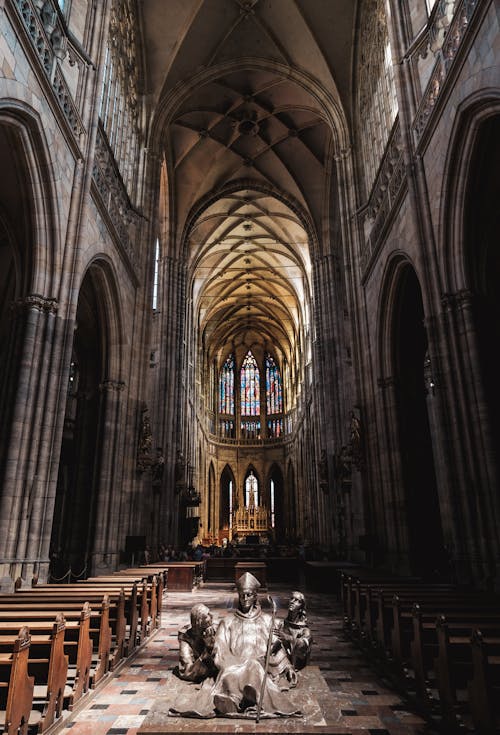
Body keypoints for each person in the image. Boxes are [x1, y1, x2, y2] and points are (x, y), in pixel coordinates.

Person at [211, 572, 300, 717]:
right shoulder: (227, 621)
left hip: (258, 662)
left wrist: (288, 666)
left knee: (253, 668)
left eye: (249, 595)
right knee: (229, 674)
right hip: (233, 663)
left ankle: (249, 696)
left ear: (255, 596)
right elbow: (219, 647)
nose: (245, 598)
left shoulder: (266, 620)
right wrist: (226, 661)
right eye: (242, 595)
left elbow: (276, 646)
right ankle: (233, 700)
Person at [175, 603, 217, 683]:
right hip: (198, 667)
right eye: (205, 627)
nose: (208, 630)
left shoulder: (215, 630)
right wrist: (207, 650)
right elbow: (187, 671)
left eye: (210, 624)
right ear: (197, 624)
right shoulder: (186, 637)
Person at [274, 591, 312, 670]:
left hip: (295, 665)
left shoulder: (304, 630)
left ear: (301, 606)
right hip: (279, 660)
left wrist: (288, 638)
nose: (292, 602)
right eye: (291, 599)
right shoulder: (282, 624)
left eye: (296, 600)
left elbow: (303, 645)